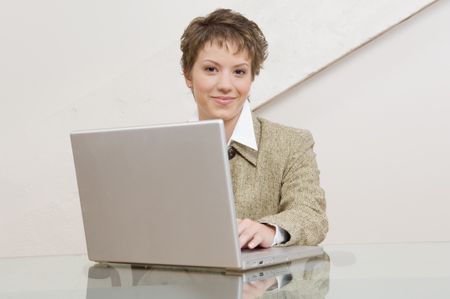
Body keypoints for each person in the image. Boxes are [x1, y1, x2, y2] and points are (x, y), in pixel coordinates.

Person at [180, 8, 328, 249]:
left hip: (265, 286)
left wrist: (269, 230)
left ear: (251, 78)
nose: (226, 85)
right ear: (188, 75)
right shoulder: (162, 149)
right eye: (210, 69)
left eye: (239, 72)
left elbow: (312, 215)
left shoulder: (292, 143)